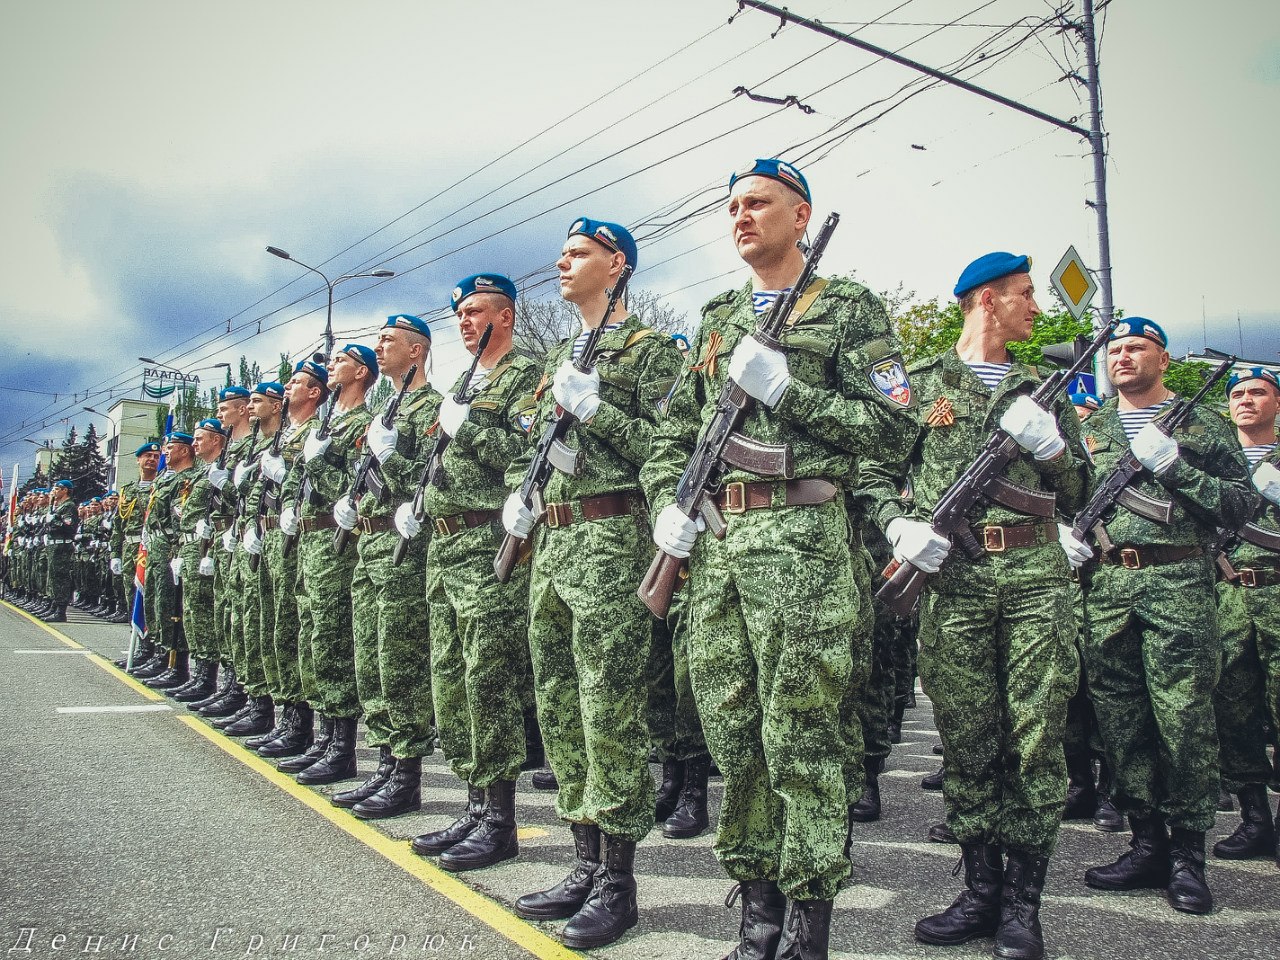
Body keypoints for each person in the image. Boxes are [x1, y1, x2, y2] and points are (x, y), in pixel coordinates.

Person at [643, 159, 918, 960]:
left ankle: (807, 924)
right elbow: (676, 430)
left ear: (803, 218)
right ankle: (756, 914)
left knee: (803, 737)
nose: (741, 216)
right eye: (733, 206)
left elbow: (894, 431)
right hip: (724, 554)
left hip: (802, 545)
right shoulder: (718, 314)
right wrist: (671, 500)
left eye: (759, 204)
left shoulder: (851, 308)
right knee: (731, 734)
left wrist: (788, 390)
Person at [862, 252, 1089, 960]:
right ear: (986, 300)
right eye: (1024, 295)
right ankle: (980, 889)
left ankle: (1024, 906)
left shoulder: (1044, 392)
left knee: (1035, 735)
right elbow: (870, 468)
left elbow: (1080, 491)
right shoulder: (920, 384)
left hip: (1033, 577)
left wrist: (1052, 450)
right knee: (967, 739)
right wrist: (896, 526)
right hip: (954, 581)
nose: (1034, 307)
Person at [504, 218, 682, 949]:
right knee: (561, 709)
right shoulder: (555, 355)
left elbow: (666, 446)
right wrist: (521, 492)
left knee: (610, 712)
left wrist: (596, 407)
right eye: (563, 251)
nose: (561, 262)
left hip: (611, 541)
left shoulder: (652, 354)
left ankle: (619, 880)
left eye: (577, 254)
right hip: (552, 542)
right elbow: (534, 442)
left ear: (617, 265)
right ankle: (583, 859)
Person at [1069, 319, 1256, 914]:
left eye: (1137, 348)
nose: (1124, 358)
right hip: (1106, 588)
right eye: (1116, 350)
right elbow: (1067, 492)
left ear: (1164, 359)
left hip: (1177, 581)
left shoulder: (1202, 424)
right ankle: (1146, 841)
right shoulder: (1090, 426)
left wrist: (1176, 467)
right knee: (1121, 722)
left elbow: (1245, 504)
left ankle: (1188, 856)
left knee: (1183, 720)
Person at [395, 273, 541, 871]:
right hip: (444, 547)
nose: (462, 321)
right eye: (457, 313)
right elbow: (442, 462)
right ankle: (474, 804)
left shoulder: (528, 375)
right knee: (452, 681)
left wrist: (468, 425)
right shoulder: (463, 381)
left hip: (488, 543)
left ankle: (500, 819)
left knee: (489, 680)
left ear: (503, 316)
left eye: (474, 311)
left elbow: (524, 458)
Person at [331, 314, 441, 819]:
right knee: (370, 660)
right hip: (369, 546)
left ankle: (407, 772)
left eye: (389, 340)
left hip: (402, 549)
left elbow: (430, 479)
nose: (380, 347)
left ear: (416, 351)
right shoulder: (384, 411)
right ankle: (384, 764)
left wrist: (391, 461)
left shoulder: (433, 407)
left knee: (400, 662)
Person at [277, 344, 378, 784]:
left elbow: (353, 489)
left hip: (336, 542)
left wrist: (320, 466)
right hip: (308, 538)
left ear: (360, 373)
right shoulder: (327, 424)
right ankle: (322, 734)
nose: (331, 365)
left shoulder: (363, 423)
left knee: (334, 639)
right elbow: (301, 481)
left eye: (340, 362)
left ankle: (341, 745)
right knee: (312, 634)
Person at [1210, 366, 1280, 867]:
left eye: (1258, 392)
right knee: (1234, 711)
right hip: (1229, 597)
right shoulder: (1216, 462)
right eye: (1237, 394)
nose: (1246, 400)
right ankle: (1255, 819)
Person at [247, 359, 328, 759]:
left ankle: (309, 727)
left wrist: (289, 472)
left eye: (295, 382)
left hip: (307, 539)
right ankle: (287, 716)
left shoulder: (319, 431)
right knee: (276, 626)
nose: (288, 388)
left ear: (315, 392)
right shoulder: (281, 437)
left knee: (304, 631)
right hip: (275, 536)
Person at [191, 387, 257, 718]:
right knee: (226, 614)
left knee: (241, 616)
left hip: (244, 537)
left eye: (224, 409)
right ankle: (231, 685)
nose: (220, 416)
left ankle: (242, 691)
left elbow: (245, 499)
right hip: (226, 539)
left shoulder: (249, 448)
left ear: (243, 410)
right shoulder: (230, 451)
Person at [167, 418, 228, 704]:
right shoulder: (200, 474)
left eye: (200, 438)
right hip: (191, 546)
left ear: (216, 439)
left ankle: (210, 680)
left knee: (207, 614)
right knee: (192, 613)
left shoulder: (221, 468)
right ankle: (200, 675)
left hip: (210, 547)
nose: (195, 444)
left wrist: (212, 548)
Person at [141, 432, 201, 690]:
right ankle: (158, 652)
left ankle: (174, 662)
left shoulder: (186, 480)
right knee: (155, 601)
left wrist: (176, 550)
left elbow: (180, 519)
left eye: (170, 447)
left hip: (171, 549)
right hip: (156, 547)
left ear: (185, 451)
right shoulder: (168, 480)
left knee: (171, 605)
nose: (165, 452)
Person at [113, 442, 161, 669]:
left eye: (156, 455)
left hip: (151, 548)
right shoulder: (128, 490)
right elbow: (118, 526)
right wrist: (115, 553)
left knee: (150, 599)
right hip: (130, 547)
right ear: (138, 460)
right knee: (132, 597)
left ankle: (150, 649)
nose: (151, 459)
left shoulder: (161, 486)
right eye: (147, 456)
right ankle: (139, 645)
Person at [41, 479, 79, 623]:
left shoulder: (69, 506)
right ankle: (54, 606)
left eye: (58, 488)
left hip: (62, 547)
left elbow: (69, 527)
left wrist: (53, 521)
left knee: (60, 578)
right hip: (55, 546)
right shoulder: (59, 506)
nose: (55, 491)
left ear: (65, 490)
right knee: (53, 577)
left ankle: (60, 611)